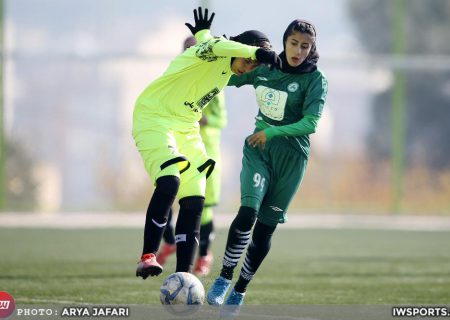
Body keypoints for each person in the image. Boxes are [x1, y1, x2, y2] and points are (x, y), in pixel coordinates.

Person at [133, 7, 282, 280]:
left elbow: (208, 40)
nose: (249, 67)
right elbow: (216, 44)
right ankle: (148, 256)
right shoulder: (215, 51)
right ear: (240, 49)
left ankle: (183, 276)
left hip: (186, 126)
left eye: (254, 65)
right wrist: (258, 53)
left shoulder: (225, 63)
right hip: (153, 116)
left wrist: (202, 31)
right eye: (249, 60)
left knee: (195, 195)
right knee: (170, 180)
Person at [206, 19, 328, 314]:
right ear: (284, 41)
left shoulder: (315, 79)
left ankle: (240, 288)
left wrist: (272, 131)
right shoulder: (265, 68)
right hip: (258, 150)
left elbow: (311, 123)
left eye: (305, 46)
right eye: (294, 43)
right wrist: (217, 48)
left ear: (311, 48)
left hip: (291, 160)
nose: (298, 50)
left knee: (264, 231)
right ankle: (224, 277)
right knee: (248, 211)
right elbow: (227, 76)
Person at [156, 36, 228, 277]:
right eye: (187, 49)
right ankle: (169, 241)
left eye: (195, 49)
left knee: (203, 209)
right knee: (165, 196)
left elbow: (222, 119)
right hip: (177, 148)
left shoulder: (214, 82)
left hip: (205, 152)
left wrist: (203, 119)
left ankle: (204, 254)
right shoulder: (177, 79)